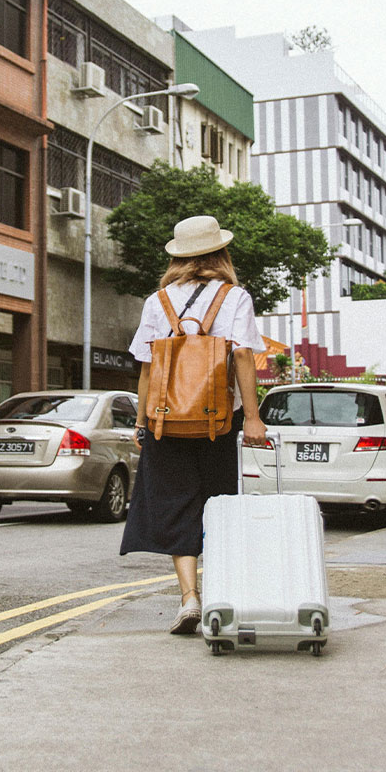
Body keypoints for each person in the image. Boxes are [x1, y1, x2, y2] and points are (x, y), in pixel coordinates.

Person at [120, 215, 267, 635]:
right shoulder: (234, 296)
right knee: (216, 503)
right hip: (216, 421)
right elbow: (242, 356)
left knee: (173, 503)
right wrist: (253, 418)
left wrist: (142, 421)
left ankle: (189, 597)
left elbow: (147, 367)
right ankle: (219, 592)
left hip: (166, 420)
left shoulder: (158, 301)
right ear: (220, 253)